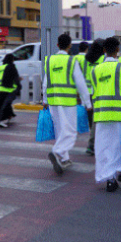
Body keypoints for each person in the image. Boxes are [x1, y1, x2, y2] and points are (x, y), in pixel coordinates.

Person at [91, 37, 121, 192]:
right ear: (118, 50)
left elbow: (94, 93)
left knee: (104, 148)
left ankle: (110, 179)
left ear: (104, 51)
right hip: (120, 116)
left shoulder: (95, 70)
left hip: (101, 116)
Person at [42, 34, 92, 175]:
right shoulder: (71, 61)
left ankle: (64, 158)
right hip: (67, 101)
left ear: (57, 45)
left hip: (53, 102)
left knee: (60, 130)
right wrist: (87, 102)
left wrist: (44, 100)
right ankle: (57, 152)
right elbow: (80, 83)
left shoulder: (50, 60)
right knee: (69, 132)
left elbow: (46, 82)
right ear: (70, 46)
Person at [83, 39, 105, 156]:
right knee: (97, 120)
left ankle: (94, 143)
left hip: (87, 92)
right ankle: (92, 145)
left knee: (92, 121)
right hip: (97, 92)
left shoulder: (86, 59)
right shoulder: (102, 59)